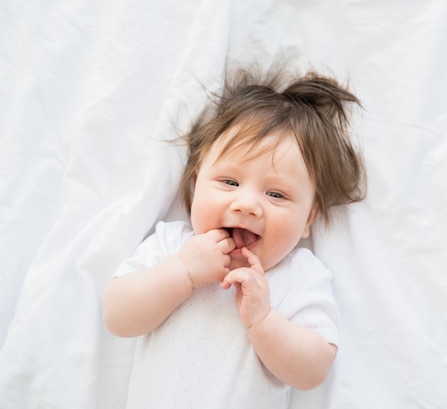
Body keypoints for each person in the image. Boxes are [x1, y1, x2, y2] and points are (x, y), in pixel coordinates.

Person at [103, 67, 366, 409]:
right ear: (196, 184)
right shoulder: (172, 244)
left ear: (308, 219)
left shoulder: (300, 275)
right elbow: (116, 316)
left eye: (276, 194)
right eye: (229, 182)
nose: (247, 205)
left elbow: (313, 371)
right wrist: (183, 271)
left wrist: (264, 321)